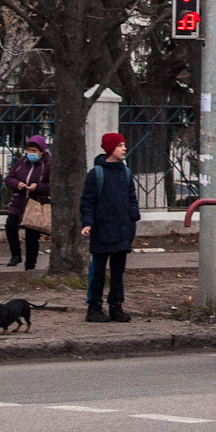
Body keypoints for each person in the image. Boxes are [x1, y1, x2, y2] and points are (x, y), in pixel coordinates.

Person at [78, 131, 140, 323]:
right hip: (102, 230)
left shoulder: (126, 173)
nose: (124, 149)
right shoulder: (96, 174)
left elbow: (132, 199)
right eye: (120, 145)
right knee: (98, 271)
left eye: (124, 145)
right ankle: (94, 307)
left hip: (122, 230)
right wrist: (87, 223)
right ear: (109, 148)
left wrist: (133, 217)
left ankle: (116, 306)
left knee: (118, 272)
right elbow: (88, 201)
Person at [3, 135, 50, 270]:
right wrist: (17, 184)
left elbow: (51, 185)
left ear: (41, 151)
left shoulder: (47, 165)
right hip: (19, 201)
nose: (31, 153)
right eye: (29, 150)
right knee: (10, 225)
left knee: (31, 236)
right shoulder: (20, 163)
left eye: (34, 151)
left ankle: (30, 266)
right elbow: (9, 178)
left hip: (35, 203)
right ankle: (15, 254)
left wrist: (38, 187)